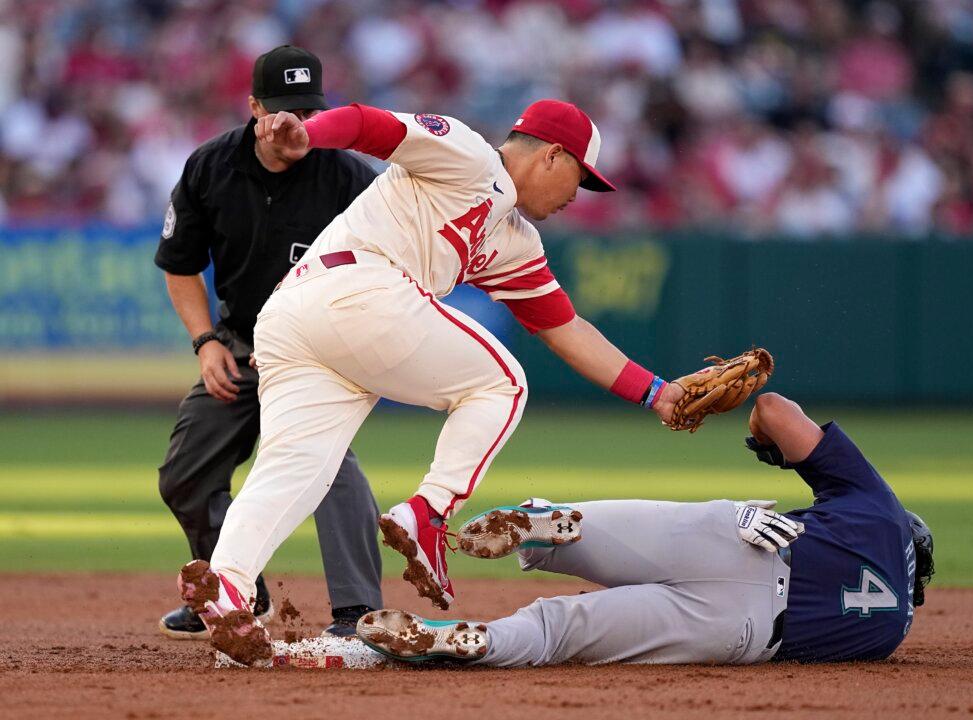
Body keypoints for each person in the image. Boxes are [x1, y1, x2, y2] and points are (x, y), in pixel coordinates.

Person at [174, 97, 718, 666]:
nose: (576, 197)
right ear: (553, 155)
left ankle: (227, 586)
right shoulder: (468, 154)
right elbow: (369, 125)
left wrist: (658, 393)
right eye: (580, 179)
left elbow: (566, 330)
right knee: (503, 384)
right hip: (357, 289)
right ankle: (428, 512)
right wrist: (310, 134)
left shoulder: (514, 240)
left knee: (295, 468)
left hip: (293, 318)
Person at [357, 392, 935, 666]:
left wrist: (768, 446)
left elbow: (774, 410)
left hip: (744, 541)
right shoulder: (888, 637)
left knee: (577, 528)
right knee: (560, 633)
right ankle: (476, 642)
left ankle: (538, 523)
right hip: (741, 632)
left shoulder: (882, 512)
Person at [155, 45, 383, 640]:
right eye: (284, 110)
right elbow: (180, 263)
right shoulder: (211, 167)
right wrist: (206, 341)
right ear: (255, 107)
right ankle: (236, 592)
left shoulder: (350, 177)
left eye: (309, 111)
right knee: (186, 473)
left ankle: (359, 613)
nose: (298, 123)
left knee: (327, 462)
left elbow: (392, 269)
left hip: (319, 350)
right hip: (239, 342)